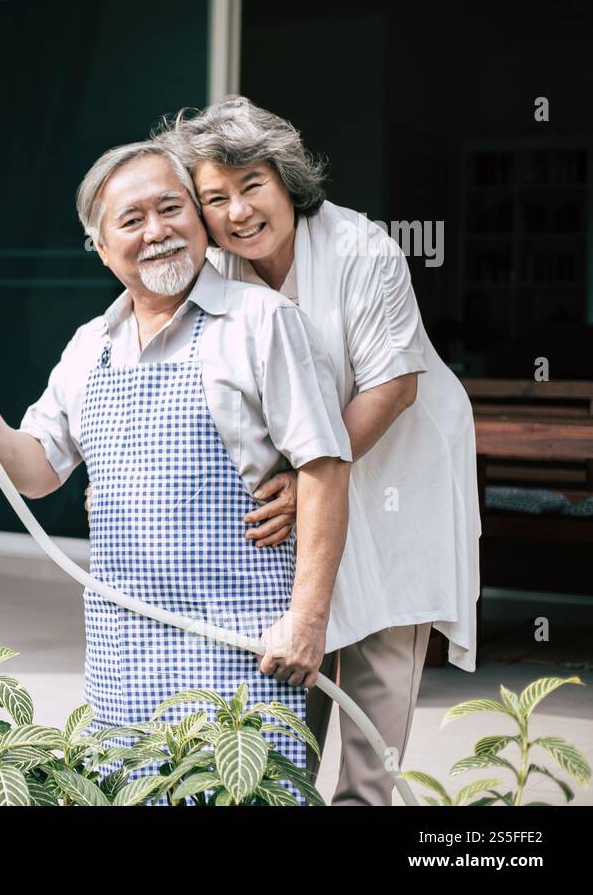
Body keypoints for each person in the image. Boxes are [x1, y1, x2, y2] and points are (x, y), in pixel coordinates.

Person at [0, 140, 352, 793]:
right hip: (123, 654)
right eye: (131, 220)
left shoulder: (262, 322)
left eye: (170, 208)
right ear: (100, 246)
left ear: (197, 217)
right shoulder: (87, 347)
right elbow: (39, 471)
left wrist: (308, 620)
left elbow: (324, 466)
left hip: (247, 645)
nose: (156, 232)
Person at [169, 95, 480, 805]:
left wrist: (304, 475)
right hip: (300, 476)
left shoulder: (361, 248)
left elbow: (395, 385)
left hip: (399, 465)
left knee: (377, 668)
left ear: (286, 180)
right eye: (215, 198)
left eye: (251, 186)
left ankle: (368, 798)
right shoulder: (211, 273)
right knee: (291, 665)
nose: (239, 211)